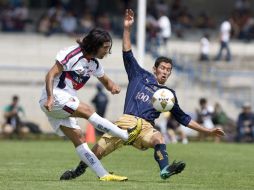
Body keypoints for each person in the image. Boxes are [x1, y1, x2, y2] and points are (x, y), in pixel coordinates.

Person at [59, 9, 225, 181]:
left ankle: (165, 169)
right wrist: (127, 29)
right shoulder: (139, 75)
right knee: (97, 151)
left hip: (146, 127)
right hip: (126, 122)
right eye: (162, 68)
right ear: (155, 69)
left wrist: (208, 130)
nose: (165, 72)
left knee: (158, 138)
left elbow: (183, 118)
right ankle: (77, 171)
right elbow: (127, 53)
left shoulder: (168, 94)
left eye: (169, 70)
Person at [39, 28, 142, 181]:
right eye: (105, 47)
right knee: (87, 110)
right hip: (55, 98)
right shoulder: (73, 54)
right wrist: (50, 97)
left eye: (109, 47)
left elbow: (106, 81)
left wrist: (113, 87)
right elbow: (50, 74)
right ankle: (125, 135)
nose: (107, 51)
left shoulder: (94, 64)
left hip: (63, 102)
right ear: (95, 45)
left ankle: (104, 175)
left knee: (80, 138)